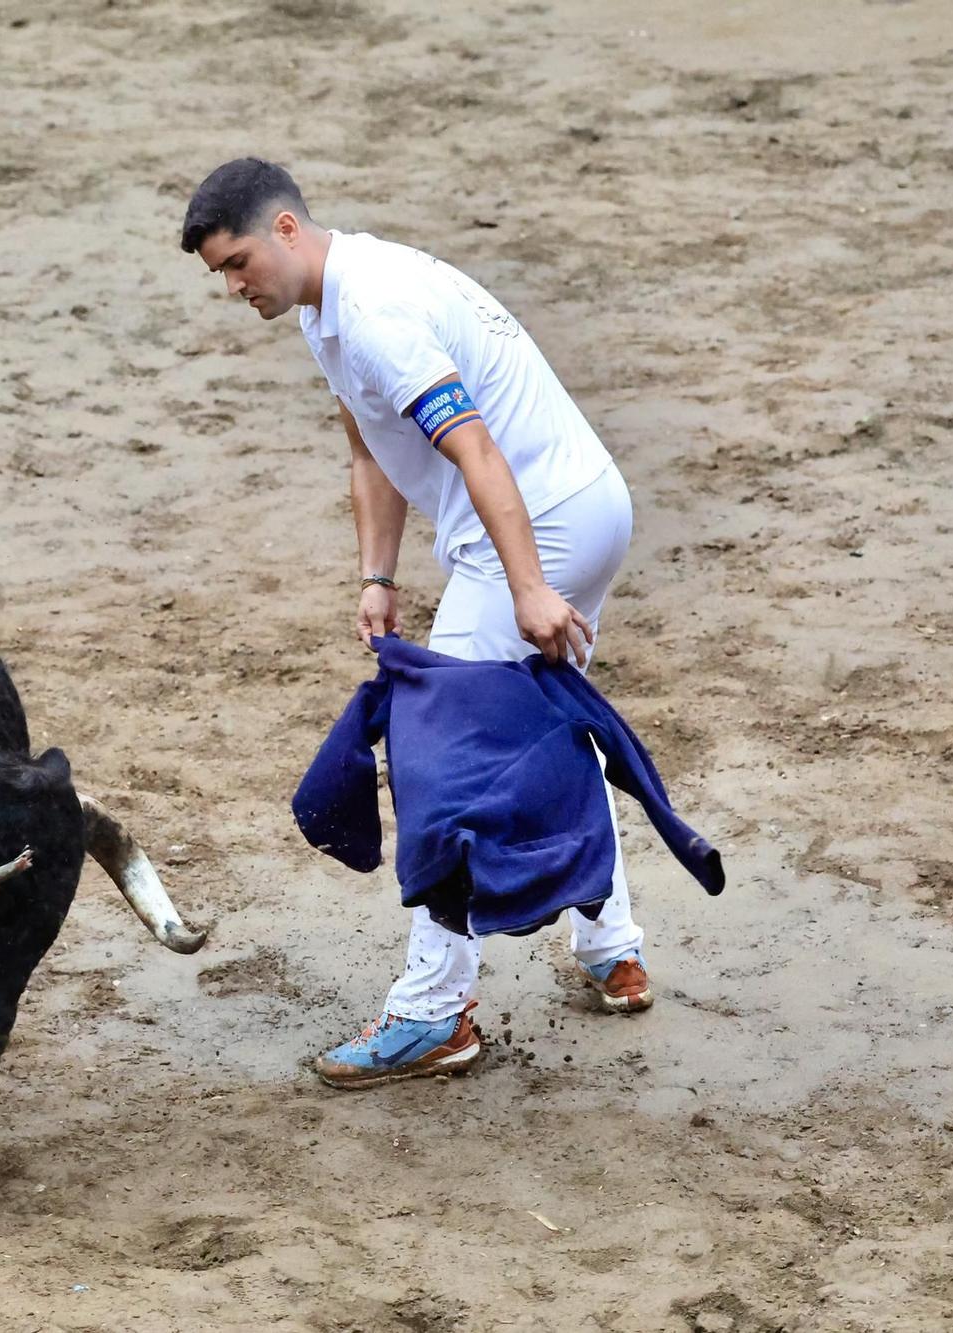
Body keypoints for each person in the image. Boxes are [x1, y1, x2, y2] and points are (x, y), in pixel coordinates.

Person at [180, 157, 651, 1088]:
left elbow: (472, 448)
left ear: (284, 230)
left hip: (537, 525)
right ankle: (611, 947)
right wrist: (378, 574)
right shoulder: (332, 302)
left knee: (447, 764)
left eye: (238, 264)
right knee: (552, 725)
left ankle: (435, 1013)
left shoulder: (378, 312)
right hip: (587, 503)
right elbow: (371, 446)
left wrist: (525, 586)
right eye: (220, 277)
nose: (235, 289)